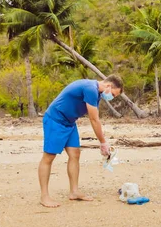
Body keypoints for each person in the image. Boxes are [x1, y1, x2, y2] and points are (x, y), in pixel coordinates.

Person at [38, 75, 124, 207]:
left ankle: (74, 192)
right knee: (48, 157)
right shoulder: (90, 88)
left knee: (75, 154)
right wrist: (103, 142)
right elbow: (94, 119)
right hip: (55, 120)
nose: (111, 98)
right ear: (108, 86)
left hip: (70, 123)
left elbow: (95, 117)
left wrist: (102, 141)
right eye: (112, 94)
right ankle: (44, 197)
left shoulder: (98, 94)